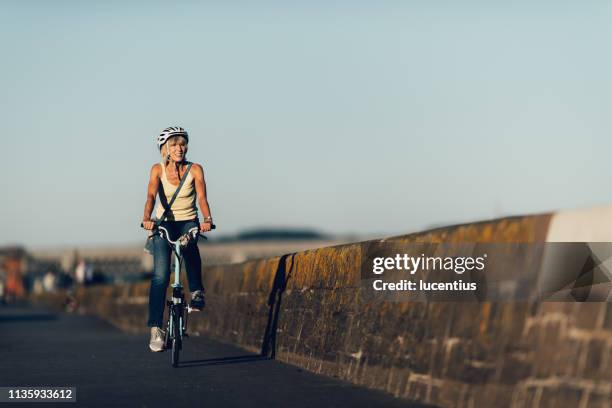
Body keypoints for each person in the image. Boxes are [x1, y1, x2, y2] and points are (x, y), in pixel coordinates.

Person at [141, 126, 213, 352]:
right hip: (164, 223)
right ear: (165, 149)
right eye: (174, 145)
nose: (179, 148)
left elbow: (201, 197)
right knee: (161, 275)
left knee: (190, 244)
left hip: (188, 220)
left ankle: (197, 291)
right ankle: (155, 328)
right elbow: (151, 196)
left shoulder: (195, 169)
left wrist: (207, 219)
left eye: (182, 144)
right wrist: (146, 218)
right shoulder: (157, 170)